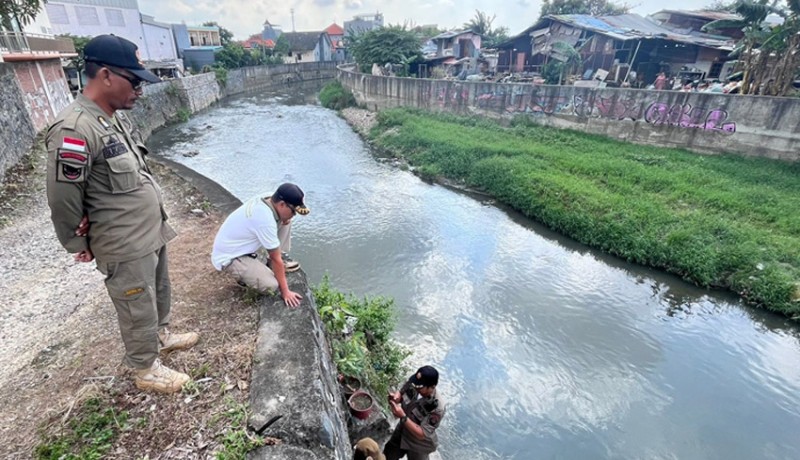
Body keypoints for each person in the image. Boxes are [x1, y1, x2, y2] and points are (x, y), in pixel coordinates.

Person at [46, 35, 199, 394]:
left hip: (148, 231)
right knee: (135, 303)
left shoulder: (111, 119)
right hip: (123, 240)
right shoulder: (75, 129)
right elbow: (63, 197)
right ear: (105, 75)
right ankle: (145, 368)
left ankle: (161, 336)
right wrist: (77, 240)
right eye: (134, 80)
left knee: (158, 291)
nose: (140, 89)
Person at [211, 183, 309, 307]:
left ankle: (273, 263)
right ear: (282, 204)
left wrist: (286, 218)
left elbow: (283, 217)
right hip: (231, 257)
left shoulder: (269, 197)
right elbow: (275, 258)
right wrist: (285, 292)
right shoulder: (264, 220)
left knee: (286, 221)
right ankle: (246, 276)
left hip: (242, 246)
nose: (294, 215)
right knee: (271, 285)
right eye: (293, 211)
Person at [384, 365, 446, 460]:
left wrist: (403, 417)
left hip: (418, 444)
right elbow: (401, 392)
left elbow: (422, 434)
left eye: (420, 387)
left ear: (432, 387)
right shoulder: (414, 383)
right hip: (402, 431)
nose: (415, 387)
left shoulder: (437, 407)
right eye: (415, 384)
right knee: (388, 455)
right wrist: (396, 397)